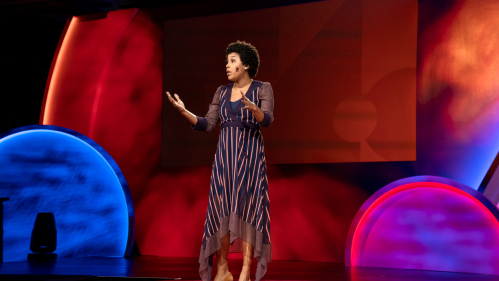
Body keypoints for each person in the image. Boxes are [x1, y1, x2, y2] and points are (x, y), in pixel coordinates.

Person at [166, 40, 274, 281]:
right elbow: (207, 124)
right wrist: (185, 111)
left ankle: (246, 270)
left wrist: (254, 108)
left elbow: (266, 119)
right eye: (227, 61)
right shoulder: (222, 92)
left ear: (246, 65)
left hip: (249, 158)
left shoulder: (262, 88)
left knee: (248, 210)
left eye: (232, 61)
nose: (227, 65)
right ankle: (222, 270)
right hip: (225, 161)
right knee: (220, 211)